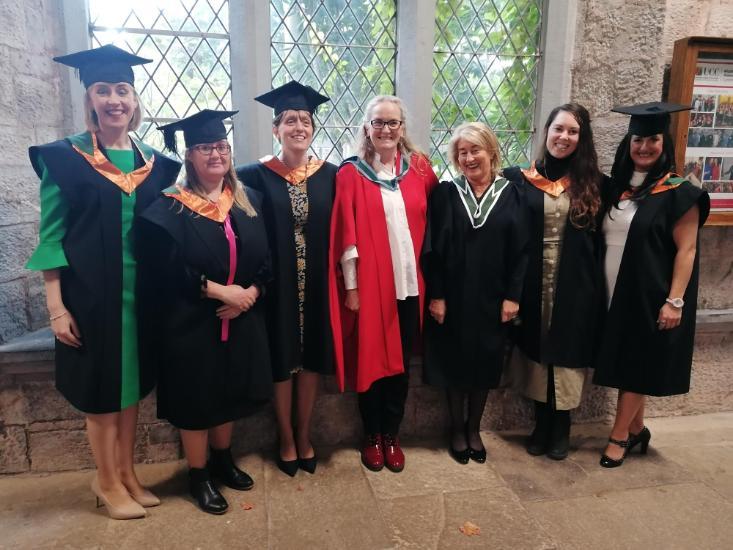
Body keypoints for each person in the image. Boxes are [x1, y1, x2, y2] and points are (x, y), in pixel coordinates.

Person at [25, 45, 181, 520]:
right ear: (90, 98)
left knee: (130, 387)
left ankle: (128, 473)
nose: (114, 99)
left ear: (135, 101)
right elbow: (51, 238)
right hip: (89, 298)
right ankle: (106, 480)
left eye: (122, 90)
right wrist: (56, 306)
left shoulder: (155, 164)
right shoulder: (64, 159)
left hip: (140, 296)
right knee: (101, 389)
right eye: (103, 90)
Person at [138, 110, 273, 513]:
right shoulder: (171, 208)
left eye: (221, 146)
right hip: (191, 323)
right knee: (196, 401)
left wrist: (250, 293)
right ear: (189, 156)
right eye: (204, 148)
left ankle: (223, 460)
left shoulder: (248, 201)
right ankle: (199, 477)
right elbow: (162, 271)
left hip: (239, 318)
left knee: (228, 394)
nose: (216, 154)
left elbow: (267, 260)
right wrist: (219, 293)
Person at [594, 102, 710, 468]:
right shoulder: (616, 188)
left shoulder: (680, 192)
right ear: (628, 142)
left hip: (650, 291)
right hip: (612, 287)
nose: (644, 147)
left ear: (665, 143)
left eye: (653, 139)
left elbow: (687, 250)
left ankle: (618, 437)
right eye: (638, 139)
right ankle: (638, 428)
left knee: (637, 361)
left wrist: (674, 301)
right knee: (627, 358)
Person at [329, 95, 438, 472]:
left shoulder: (421, 171)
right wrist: (353, 289)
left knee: (402, 365)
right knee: (371, 363)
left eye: (393, 123)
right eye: (378, 123)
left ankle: (393, 433)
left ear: (402, 128)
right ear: (366, 128)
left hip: (411, 286)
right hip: (373, 288)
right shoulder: (351, 173)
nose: (386, 130)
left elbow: (437, 224)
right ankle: (371, 434)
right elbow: (347, 237)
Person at [236, 81, 336, 477]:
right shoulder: (253, 175)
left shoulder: (330, 175)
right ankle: (285, 437)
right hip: (274, 285)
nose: (299, 126)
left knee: (310, 359)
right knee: (281, 360)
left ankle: (304, 432)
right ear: (276, 129)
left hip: (316, 284)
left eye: (305, 120)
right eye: (290, 120)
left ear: (313, 128)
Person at [422, 122, 528, 464]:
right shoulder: (446, 193)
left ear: (491, 152)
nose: (468, 158)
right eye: (462, 152)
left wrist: (513, 296)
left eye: (475, 150)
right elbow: (432, 249)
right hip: (453, 297)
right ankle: (456, 428)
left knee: (485, 362)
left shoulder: (513, 195)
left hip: (493, 298)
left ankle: (474, 429)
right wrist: (436, 295)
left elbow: (522, 251)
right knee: (454, 362)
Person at [503, 103, 604, 461]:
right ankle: (541, 424)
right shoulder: (519, 180)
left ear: (582, 138)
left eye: (573, 131)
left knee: (566, 355)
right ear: (546, 131)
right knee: (536, 350)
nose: (564, 137)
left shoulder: (596, 185)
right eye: (558, 129)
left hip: (575, 284)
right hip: (533, 281)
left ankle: (561, 426)